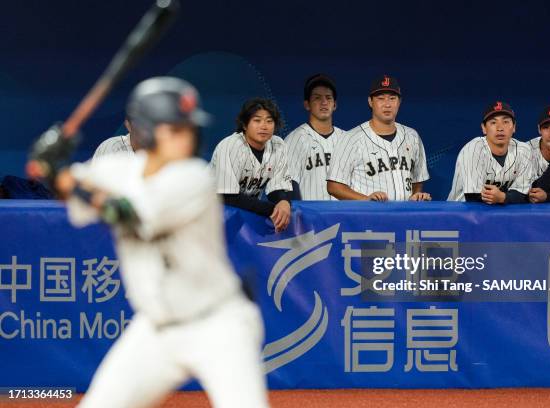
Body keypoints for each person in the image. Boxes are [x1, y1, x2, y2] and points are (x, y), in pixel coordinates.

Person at [54, 77, 269, 408]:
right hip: (155, 328)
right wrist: (52, 165)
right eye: (173, 129)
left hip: (218, 324)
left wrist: (68, 180)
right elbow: (70, 188)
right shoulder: (119, 168)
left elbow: (126, 215)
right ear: (146, 130)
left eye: (188, 129)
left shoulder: (193, 178)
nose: (184, 139)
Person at [326, 75, 430, 201]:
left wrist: (416, 196)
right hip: (367, 218)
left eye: (392, 98)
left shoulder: (412, 136)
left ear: (399, 102)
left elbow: (417, 179)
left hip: (405, 218)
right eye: (381, 99)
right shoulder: (350, 139)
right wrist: (365, 199)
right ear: (370, 101)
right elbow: (334, 186)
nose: (387, 104)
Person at [211, 98, 292, 232]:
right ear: (244, 124)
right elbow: (228, 197)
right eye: (257, 120)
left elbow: (276, 188)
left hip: (244, 213)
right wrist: (273, 210)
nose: (264, 126)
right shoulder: (230, 146)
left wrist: (283, 202)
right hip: (210, 214)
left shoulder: (278, 145)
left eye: (269, 121)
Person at [447, 101, 533, 204]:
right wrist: (505, 198)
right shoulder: (473, 149)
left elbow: (523, 195)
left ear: (514, 127)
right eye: (493, 122)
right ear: (484, 128)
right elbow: (473, 196)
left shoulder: (524, 150)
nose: (500, 128)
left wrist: (502, 197)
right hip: (461, 212)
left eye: (505, 122)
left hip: (501, 214)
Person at [284, 74, 344, 200]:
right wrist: (299, 214)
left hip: (344, 216)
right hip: (311, 217)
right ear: (307, 104)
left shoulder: (347, 139)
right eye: (317, 98)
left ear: (335, 105)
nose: (324, 102)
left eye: (328, 98)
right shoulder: (295, 139)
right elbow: (289, 184)